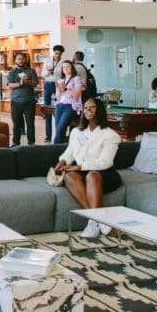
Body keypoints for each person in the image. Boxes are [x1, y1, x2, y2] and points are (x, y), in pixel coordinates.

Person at [52, 98, 122, 239]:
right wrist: (63, 161)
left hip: (104, 174)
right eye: (85, 108)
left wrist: (78, 167)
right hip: (83, 172)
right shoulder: (76, 132)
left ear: (100, 110)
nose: (88, 110)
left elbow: (105, 162)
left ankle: (94, 221)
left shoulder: (111, 135)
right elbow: (70, 151)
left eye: (92, 107)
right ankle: (96, 220)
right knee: (69, 176)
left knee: (92, 175)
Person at [8, 52, 39, 146]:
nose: (20, 60)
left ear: (25, 60)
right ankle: (16, 142)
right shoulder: (12, 72)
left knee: (30, 124)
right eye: (18, 59)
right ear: (15, 60)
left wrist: (27, 81)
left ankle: (31, 143)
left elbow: (35, 84)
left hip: (29, 101)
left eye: (22, 58)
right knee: (16, 124)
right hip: (16, 102)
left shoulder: (31, 71)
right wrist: (20, 83)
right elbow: (10, 85)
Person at [52, 60, 84, 144]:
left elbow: (76, 94)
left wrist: (65, 89)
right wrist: (59, 89)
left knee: (60, 130)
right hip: (59, 106)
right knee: (59, 131)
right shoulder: (60, 80)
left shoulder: (76, 79)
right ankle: (60, 150)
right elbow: (58, 97)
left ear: (72, 68)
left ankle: (54, 150)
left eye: (68, 66)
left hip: (70, 106)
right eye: (64, 67)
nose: (65, 69)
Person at [41, 45, 65, 142]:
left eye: (59, 54)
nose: (57, 55)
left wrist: (56, 74)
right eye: (56, 53)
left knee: (57, 110)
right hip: (48, 84)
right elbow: (42, 74)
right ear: (53, 52)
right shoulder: (47, 60)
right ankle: (48, 135)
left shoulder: (63, 63)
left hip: (57, 85)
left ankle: (58, 134)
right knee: (47, 111)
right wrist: (48, 71)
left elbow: (63, 75)